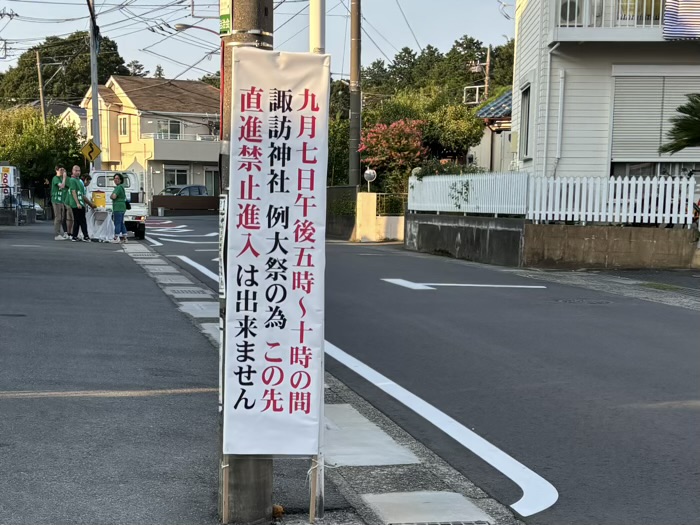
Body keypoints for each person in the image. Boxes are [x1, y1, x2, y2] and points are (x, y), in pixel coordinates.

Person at [67, 165, 90, 242]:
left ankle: (75, 235)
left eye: (79, 171)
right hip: (75, 203)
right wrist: (77, 203)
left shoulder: (79, 181)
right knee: (79, 220)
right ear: (72, 171)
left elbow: (82, 194)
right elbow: (73, 192)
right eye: (76, 171)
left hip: (81, 202)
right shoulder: (72, 180)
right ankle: (84, 236)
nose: (78, 172)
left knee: (80, 220)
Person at [50, 165, 68, 240]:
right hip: (56, 199)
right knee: (58, 217)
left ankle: (60, 233)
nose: (62, 171)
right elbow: (62, 186)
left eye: (63, 170)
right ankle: (57, 234)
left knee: (62, 217)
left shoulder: (61, 178)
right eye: (60, 170)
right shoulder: (55, 178)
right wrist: (64, 178)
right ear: (56, 170)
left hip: (61, 200)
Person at [111, 173, 128, 243]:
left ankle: (116, 237)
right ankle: (125, 237)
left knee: (117, 222)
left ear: (121, 180)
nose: (116, 180)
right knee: (121, 222)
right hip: (122, 207)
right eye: (115, 178)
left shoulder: (118, 188)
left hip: (117, 207)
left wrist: (111, 196)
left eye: (117, 178)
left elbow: (114, 196)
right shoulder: (121, 187)